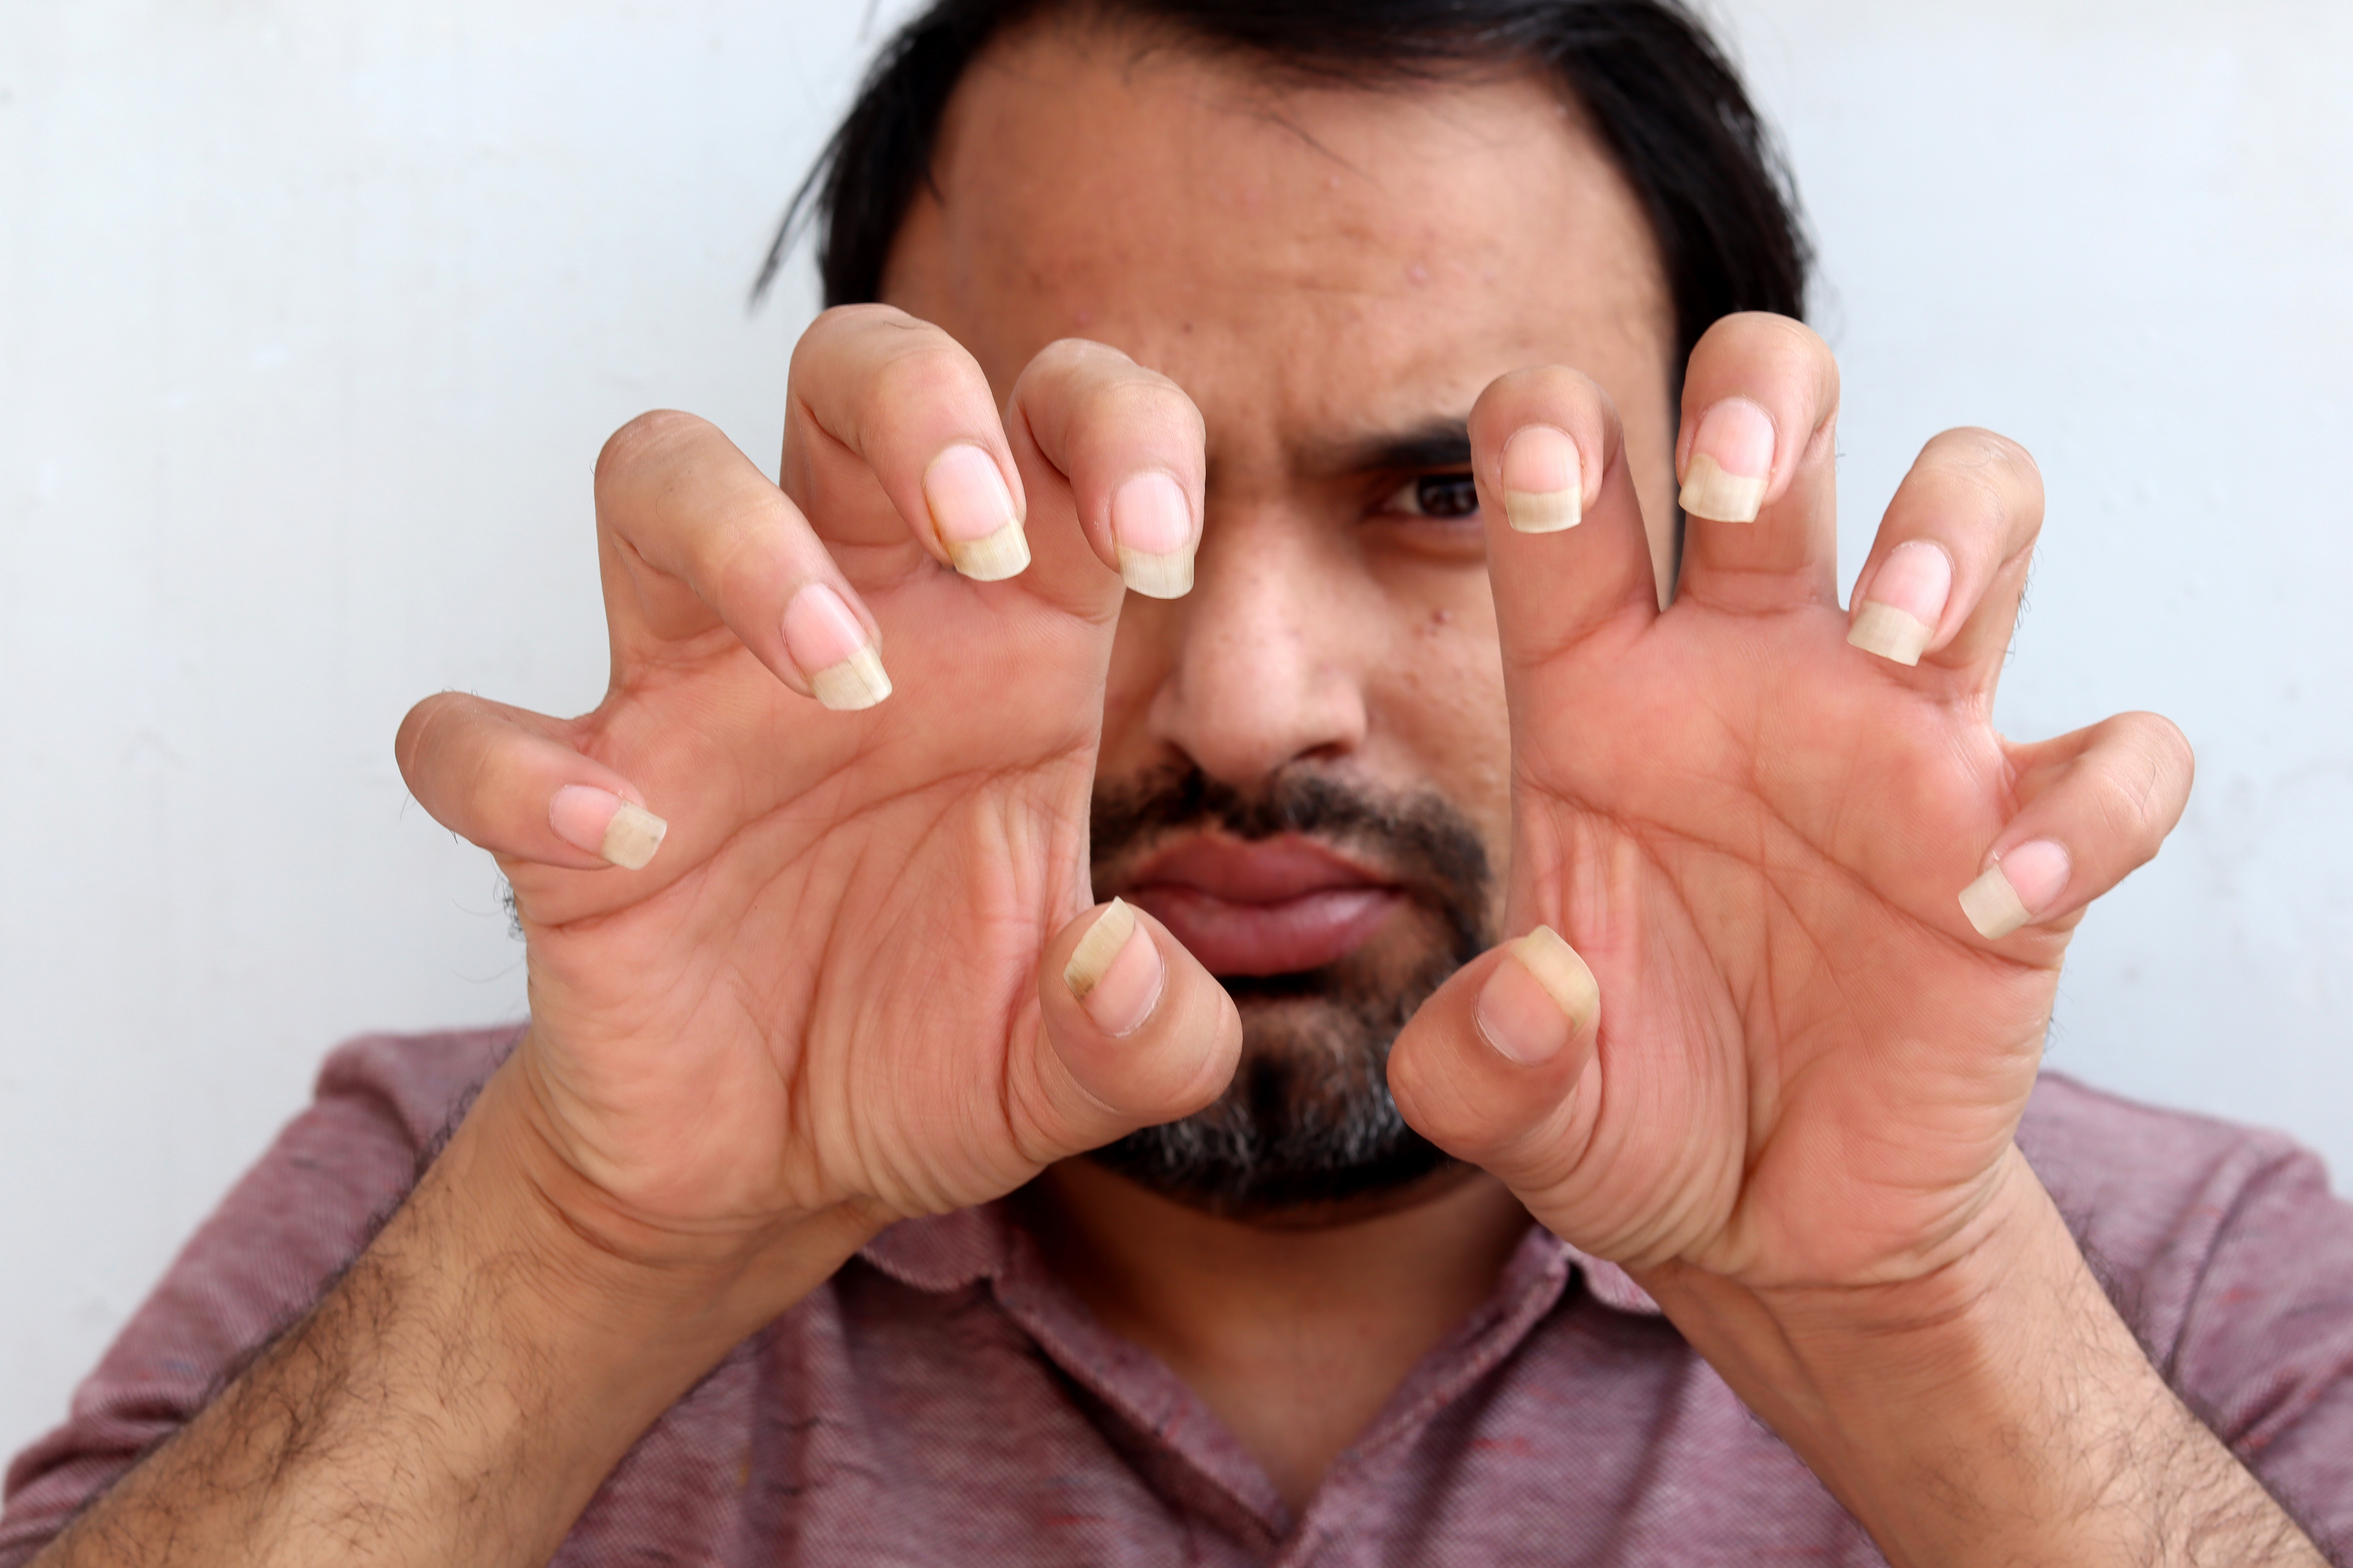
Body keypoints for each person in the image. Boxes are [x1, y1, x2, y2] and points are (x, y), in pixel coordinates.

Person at [5, 0, 2350, 1563]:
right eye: (1071, 492)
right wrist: (593, 1261)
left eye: (1447, 497)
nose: (1244, 704)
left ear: (1719, 517)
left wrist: (1922, 1333)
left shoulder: (2172, 1290)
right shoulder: (476, 1203)